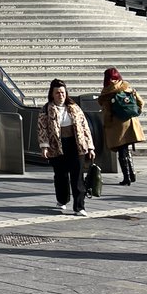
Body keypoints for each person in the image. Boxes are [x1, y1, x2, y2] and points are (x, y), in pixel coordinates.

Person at [37, 78, 96, 216]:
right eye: (57, 93)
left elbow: (85, 127)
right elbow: (42, 129)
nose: (61, 95)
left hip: (76, 144)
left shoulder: (74, 107)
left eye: (63, 92)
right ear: (52, 94)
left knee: (77, 176)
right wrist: (44, 147)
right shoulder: (46, 109)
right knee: (61, 175)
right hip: (57, 145)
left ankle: (79, 207)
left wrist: (90, 147)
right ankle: (62, 199)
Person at [98, 67, 144, 185]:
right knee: (126, 149)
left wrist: (107, 124)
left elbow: (107, 113)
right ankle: (132, 174)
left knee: (121, 151)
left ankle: (126, 177)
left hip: (117, 125)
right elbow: (141, 102)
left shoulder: (108, 93)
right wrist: (136, 113)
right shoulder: (128, 88)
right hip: (131, 123)